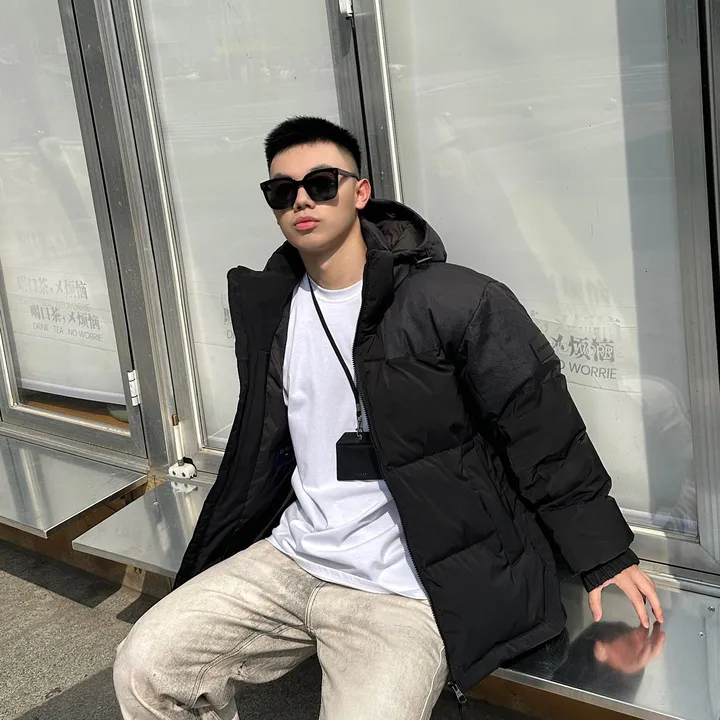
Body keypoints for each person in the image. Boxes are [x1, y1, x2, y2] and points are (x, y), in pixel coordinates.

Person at [113, 116, 664, 720]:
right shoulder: (271, 308)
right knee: (146, 668)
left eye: (321, 183)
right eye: (282, 191)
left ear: (361, 192)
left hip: (403, 589)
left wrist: (603, 554)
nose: (302, 200)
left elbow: (541, 429)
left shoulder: (454, 300)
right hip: (294, 554)